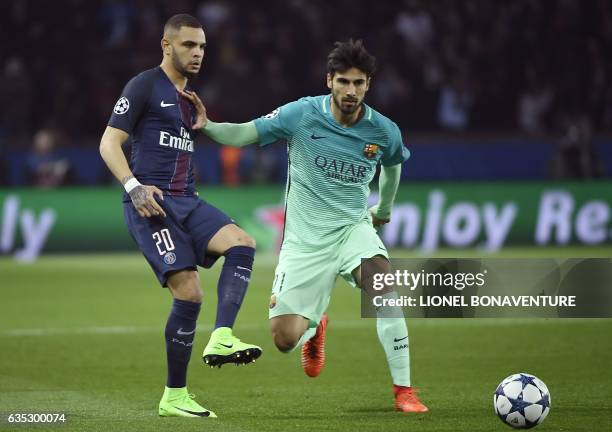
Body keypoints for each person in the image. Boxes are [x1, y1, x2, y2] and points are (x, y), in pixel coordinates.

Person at [181, 39, 429, 413]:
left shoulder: (383, 131)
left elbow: (393, 164)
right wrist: (209, 126)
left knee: (383, 287)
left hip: (351, 230)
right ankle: (315, 326)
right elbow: (247, 133)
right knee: (284, 339)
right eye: (343, 81)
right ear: (329, 80)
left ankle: (404, 391)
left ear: (368, 86)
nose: (350, 91)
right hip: (303, 242)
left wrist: (385, 208)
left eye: (358, 83)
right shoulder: (302, 115)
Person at [99, 14, 261, 419]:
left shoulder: (190, 99)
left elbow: (177, 151)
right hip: (150, 202)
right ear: (166, 46)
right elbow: (108, 142)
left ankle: (222, 336)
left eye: (202, 46)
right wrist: (133, 186)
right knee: (189, 292)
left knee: (243, 243)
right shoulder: (143, 85)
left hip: (187, 200)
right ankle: (174, 395)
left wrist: (205, 127)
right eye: (189, 45)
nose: (198, 53)